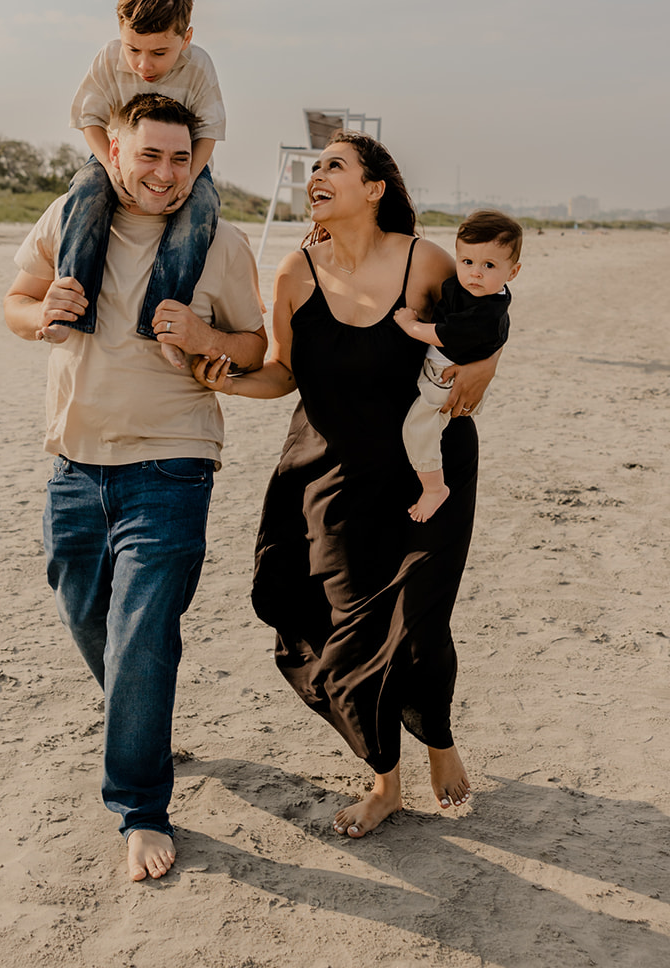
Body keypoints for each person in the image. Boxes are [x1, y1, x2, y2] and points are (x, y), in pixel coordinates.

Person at [193, 132, 500, 837]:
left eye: (335, 165)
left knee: (417, 617)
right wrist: (232, 383)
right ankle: (385, 778)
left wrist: (487, 364)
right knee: (348, 629)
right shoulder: (294, 274)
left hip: (428, 472)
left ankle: (438, 739)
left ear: (374, 189)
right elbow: (283, 374)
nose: (316, 175)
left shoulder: (424, 262)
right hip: (328, 475)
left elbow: (482, 319)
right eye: (315, 167)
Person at [4, 94, 266, 882]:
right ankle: (142, 722)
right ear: (113, 152)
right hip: (74, 464)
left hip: (172, 462)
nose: (164, 173)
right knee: (85, 613)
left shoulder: (219, 242)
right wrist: (37, 314)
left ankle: (140, 809)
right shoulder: (69, 219)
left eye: (180, 158)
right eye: (148, 155)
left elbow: (254, 345)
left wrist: (208, 337)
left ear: (198, 161)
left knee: (142, 631)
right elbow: (15, 301)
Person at [46, 0, 226, 369]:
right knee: (85, 189)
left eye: (159, 53)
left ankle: (163, 325)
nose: (144, 65)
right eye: (134, 50)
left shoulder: (199, 66)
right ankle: (70, 310)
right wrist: (110, 170)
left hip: (183, 162)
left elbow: (210, 130)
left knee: (202, 207)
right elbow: (89, 118)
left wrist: (189, 179)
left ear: (186, 38)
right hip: (114, 157)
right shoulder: (109, 59)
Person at [393, 209, 522, 522]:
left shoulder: (485, 313)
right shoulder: (479, 291)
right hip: (449, 372)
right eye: (467, 262)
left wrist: (410, 325)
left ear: (513, 272)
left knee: (418, 428)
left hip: (445, 380)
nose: (475, 273)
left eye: (488, 265)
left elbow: (442, 334)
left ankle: (434, 487)